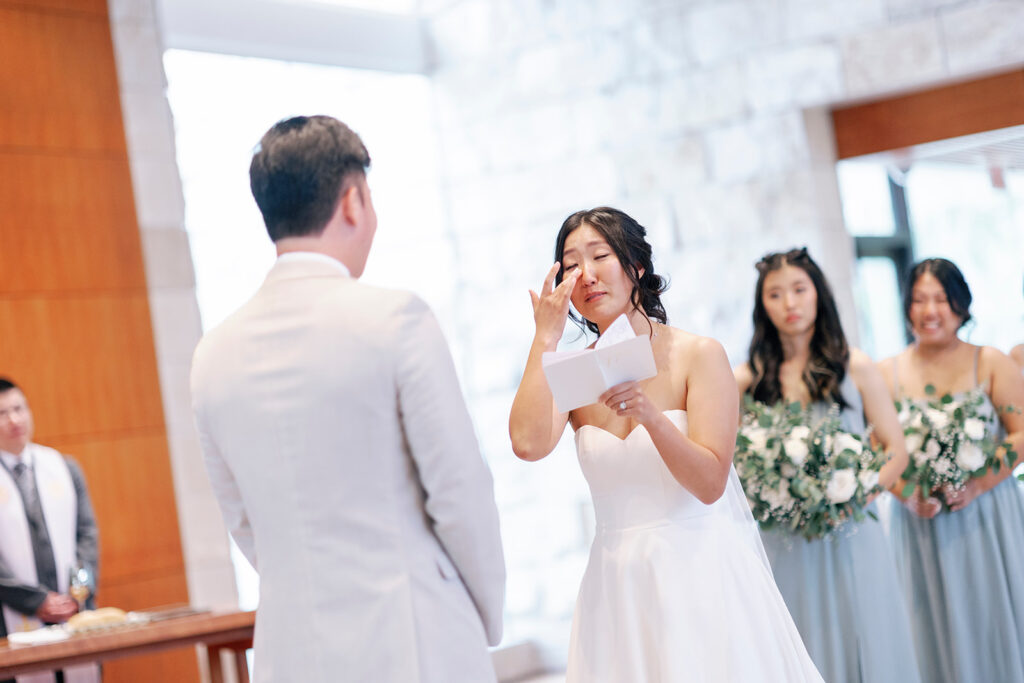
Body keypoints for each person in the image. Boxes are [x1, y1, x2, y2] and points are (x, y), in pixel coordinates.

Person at [190, 115, 506, 683]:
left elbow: (242, 520)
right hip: (414, 635)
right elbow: (460, 490)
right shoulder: (395, 320)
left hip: (290, 649)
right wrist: (482, 617)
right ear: (354, 200)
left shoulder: (212, 355)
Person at [509, 208, 822, 682]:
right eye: (571, 265)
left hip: (698, 571)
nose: (586, 275)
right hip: (617, 584)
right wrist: (545, 338)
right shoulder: (574, 371)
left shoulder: (698, 354)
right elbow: (527, 444)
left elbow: (711, 483)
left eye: (600, 256)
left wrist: (651, 417)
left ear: (635, 267)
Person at [733, 248, 920, 683]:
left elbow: (896, 450)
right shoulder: (746, 379)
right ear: (763, 305)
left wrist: (854, 494)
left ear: (819, 294)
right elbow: (733, 461)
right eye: (775, 294)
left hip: (852, 528)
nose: (790, 304)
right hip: (783, 538)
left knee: (866, 638)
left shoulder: (855, 366)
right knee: (798, 643)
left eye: (799, 290)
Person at [878, 258, 1024, 683]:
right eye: (919, 299)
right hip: (920, 524)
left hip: (987, 516)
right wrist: (907, 493)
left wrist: (977, 486)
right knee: (931, 628)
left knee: (995, 614)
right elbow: (877, 447)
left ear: (961, 305)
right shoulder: (888, 372)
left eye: (941, 299)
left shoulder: (992, 362)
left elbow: (1020, 434)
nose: (930, 311)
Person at [0, 378, 99, 683]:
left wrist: (77, 590)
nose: (14, 419)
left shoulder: (63, 467)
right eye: (2, 413)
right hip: (12, 618)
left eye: (18, 408)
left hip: (72, 609)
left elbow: (87, 536)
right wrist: (35, 601)